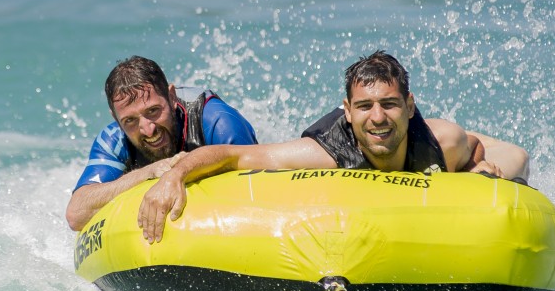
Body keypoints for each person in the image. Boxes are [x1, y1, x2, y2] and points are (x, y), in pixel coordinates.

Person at [137, 50, 530, 242]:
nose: (377, 117)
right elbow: (236, 155)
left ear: (409, 106)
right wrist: (176, 175)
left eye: (389, 105)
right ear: (348, 112)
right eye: (364, 107)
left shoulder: (440, 141)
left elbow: (489, 153)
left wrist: (478, 171)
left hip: (453, 142)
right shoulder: (326, 151)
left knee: (514, 159)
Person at [65, 56, 258, 230]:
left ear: (172, 96)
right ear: (116, 119)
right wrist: (148, 173)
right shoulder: (114, 139)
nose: (148, 130)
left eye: (153, 111)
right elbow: (76, 215)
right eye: (130, 120)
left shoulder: (218, 121)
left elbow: (253, 195)